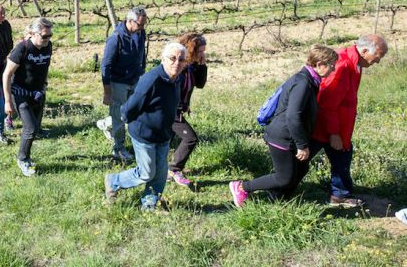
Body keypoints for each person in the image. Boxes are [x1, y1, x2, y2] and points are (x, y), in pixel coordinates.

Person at [229, 45, 339, 207]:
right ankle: (242, 187)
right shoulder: (303, 83)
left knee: (301, 169)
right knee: (284, 177)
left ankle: (279, 198)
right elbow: (293, 116)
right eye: (331, 65)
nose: (333, 69)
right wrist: (302, 145)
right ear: (320, 64)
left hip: (288, 134)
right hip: (282, 136)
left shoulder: (308, 80)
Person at [307, 35, 389, 207]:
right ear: (365, 51)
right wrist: (334, 133)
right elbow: (327, 103)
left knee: (342, 156)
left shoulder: (355, 62)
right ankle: (277, 185)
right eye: (378, 57)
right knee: (301, 159)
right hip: (326, 127)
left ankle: (339, 194)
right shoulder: (343, 65)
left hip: (338, 126)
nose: (378, 61)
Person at [104, 42, 187, 211]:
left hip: (163, 134)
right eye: (172, 58)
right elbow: (131, 106)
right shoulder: (151, 79)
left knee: (160, 174)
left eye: (181, 59)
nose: (176, 62)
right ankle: (114, 181)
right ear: (163, 59)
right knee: (146, 172)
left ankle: (149, 204)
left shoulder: (178, 78)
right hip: (144, 135)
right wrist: (129, 122)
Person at [3, 18, 54, 177]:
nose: (47, 39)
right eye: (44, 36)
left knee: (36, 128)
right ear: (33, 33)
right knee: (30, 128)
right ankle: (22, 159)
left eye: (50, 36)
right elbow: (6, 75)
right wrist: (7, 101)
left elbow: (43, 67)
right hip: (20, 94)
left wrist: (43, 84)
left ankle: (27, 156)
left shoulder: (48, 46)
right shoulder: (22, 49)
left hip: (38, 93)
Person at [96, 7, 148, 161]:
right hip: (118, 81)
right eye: (139, 24)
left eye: (144, 24)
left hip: (135, 79)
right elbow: (105, 65)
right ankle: (118, 148)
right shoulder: (116, 38)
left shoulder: (140, 33)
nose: (142, 28)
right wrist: (107, 91)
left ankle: (106, 124)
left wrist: (142, 70)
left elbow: (141, 53)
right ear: (129, 21)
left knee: (133, 112)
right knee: (119, 117)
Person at [167, 33, 208, 187]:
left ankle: (160, 170)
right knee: (190, 138)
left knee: (166, 140)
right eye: (200, 52)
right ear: (191, 51)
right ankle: (174, 169)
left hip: (179, 110)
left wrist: (202, 65)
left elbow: (200, 84)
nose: (203, 54)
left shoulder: (192, 67)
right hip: (171, 111)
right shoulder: (178, 68)